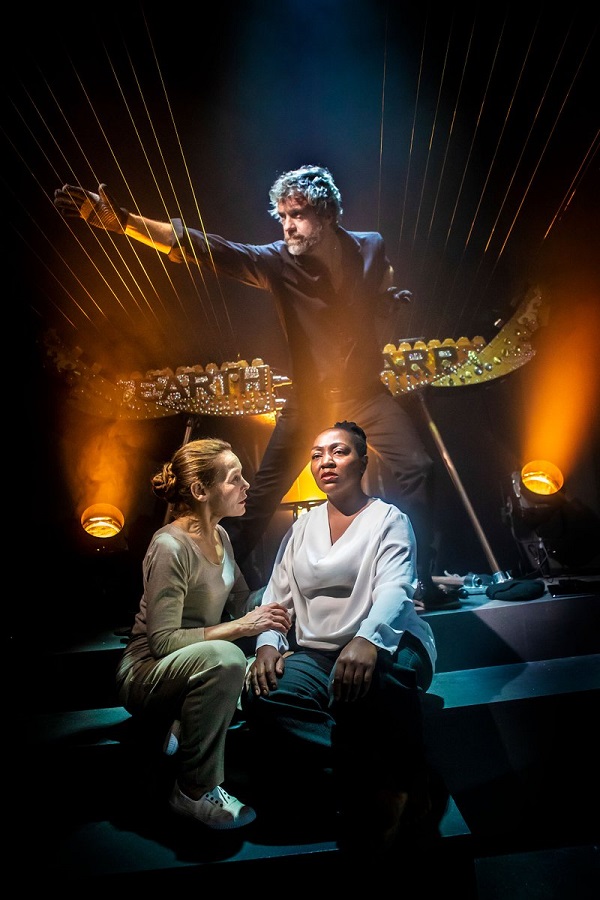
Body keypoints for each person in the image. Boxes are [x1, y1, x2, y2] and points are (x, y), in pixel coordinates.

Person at [54, 166, 459, 611]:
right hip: (309, 403)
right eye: (282, 216)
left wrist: (387, 301)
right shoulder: (277, 261)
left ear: (327, 215)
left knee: (419, 467)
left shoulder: (371, 246)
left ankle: (416, 581)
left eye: (297, 214)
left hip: (364, 393)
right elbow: (206, 249)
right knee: (259, 501)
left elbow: (375, 286)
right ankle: (204, 598)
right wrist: (123, 222)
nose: (287, 226)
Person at [241, 420, 437, 852]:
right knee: (264, 695)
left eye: (339, 451)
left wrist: (367, 640)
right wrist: (268, 644)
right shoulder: (301, 528)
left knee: (385, 679)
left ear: (363, 462)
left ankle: (399, 783)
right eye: (316, 454)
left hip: (389, 641)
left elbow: (396, 590)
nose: (325, 461)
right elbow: (278, 595)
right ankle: (380, 779)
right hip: (318, 651)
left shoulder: (389, 519)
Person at [115, 437, 292, 830]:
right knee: (229, 658)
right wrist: (243, 627)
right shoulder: (170, 546)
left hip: (197, 664)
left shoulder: (221, 536)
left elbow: (245, 601)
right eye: (234, 478)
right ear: (200, 490)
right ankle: (193, 789)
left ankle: (180, 722)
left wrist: (295, 588)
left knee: (280, 663)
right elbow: (163, 642)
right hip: (147, 671)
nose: (246, 485)